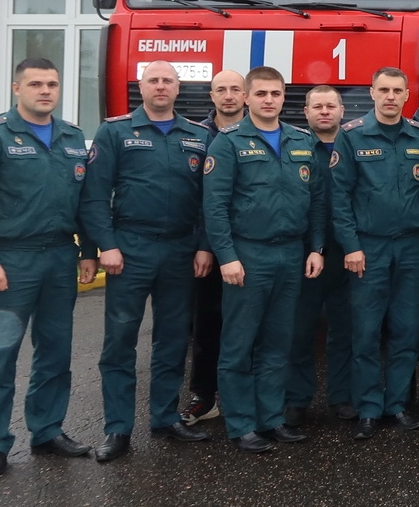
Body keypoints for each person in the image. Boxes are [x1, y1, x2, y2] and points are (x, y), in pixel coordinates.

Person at [0, 57, 99, 479]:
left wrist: (88, 250)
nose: (45, 90)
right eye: (35, 83)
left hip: (59, 257)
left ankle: (48, 430)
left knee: (55, 351)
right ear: (17, 88)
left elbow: (85, 201)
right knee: (0, 355)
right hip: (10, 261)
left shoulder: (73, 137)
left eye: (52, 84)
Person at [82, 61, 212, 463]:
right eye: (153, 80)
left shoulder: (198, 135)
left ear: (178, 88)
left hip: (180, 251)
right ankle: (117, 429)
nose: (160, 86)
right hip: (130, 248)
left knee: (172, 340)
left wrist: (204, 246)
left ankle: (164, 416)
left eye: (167, 81)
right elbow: (93, 195)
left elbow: (211, 200)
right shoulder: (115, 131)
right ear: (141, 86)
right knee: (120, 342)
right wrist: (105, 245)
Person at [202, 66, 326, 453]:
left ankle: (271, 419)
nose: (268, 100)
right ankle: (241, 425)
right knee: (239, 343)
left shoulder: (301, 141)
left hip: (291, 254)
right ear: (246, 98)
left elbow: (318, 201)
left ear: (283, 96)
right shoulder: (228, 143)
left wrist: (316, 248)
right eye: (261, 94)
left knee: (278, 343)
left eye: (275, 94)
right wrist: (226, 256)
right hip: (247, 254)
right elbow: (215, 206)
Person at [334, 69, 419, 440]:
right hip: (368, 248)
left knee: (407, 330)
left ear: (408, 95)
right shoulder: (352, 135)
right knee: (366, 332)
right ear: (372, 92)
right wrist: (351, 246)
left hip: (411, 247)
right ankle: (368, 408)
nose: (390, 97)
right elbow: (339, 197)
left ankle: (398, 405)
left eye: (397, 91)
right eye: (383, 90)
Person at [286, 85, 353, 425]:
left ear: (342, 110)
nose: (324, 112)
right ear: (306, 112)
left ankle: (341, 396)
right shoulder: (293, 146)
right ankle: (297, 399)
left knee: (345, 327)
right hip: (305, 253)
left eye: (331, 106)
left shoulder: (356, 143)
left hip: (347, 251)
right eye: (317, 106)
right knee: (301, 329)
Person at [183, 69, 246, 425]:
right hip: (207, 248)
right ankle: (204, 396)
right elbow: (202, 199)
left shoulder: (265, 136)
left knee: (248, 327)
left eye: (235, 89)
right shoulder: (195, 137)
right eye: (221, 90)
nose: (228, 96)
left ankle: (244, 398)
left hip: (251, 246)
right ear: (212, 95)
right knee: (206, 323)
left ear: (246, 95)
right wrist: (205, 245)